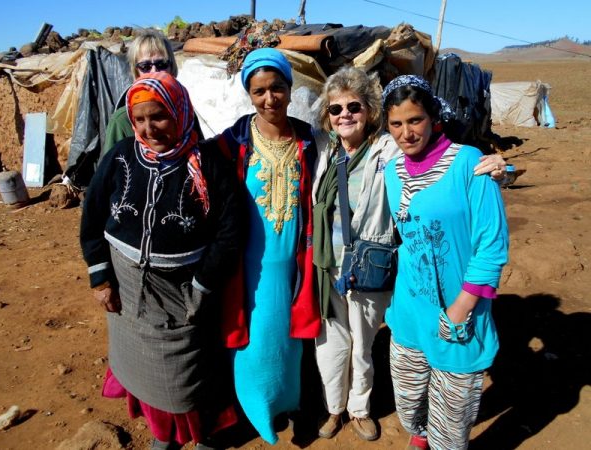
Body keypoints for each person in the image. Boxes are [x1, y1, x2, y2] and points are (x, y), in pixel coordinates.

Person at [80, 72, 241, 450]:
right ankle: (162, 435)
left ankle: (204, 434)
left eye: (159, 116)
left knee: (190, 371)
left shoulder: (209, 165)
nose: (149, 128)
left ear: (180, 112)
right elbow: (92, 216)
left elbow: (229, 232)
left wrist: (203, 283)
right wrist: (100, 277)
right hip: (127, 291)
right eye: (140, 119)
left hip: (183, 291)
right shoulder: (119, 157)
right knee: (142, 368)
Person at [381, 75, 509, 450]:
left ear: (433, 117)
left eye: (415, 120)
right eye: (396, 124)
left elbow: (491, 245)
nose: (407, 133)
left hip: (459, 313)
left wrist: (460, 309)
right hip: (408, 309)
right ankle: (420, 435)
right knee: (407, 406)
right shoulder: (392, 171)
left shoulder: (471, 164)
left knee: (451, 428)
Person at [204, 47, 321, 445]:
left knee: (290, 344)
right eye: (259, 91)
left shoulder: (309, 140)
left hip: (294, 265)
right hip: (247, 268)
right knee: (253, 342)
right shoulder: (230, 144)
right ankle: (255, 412)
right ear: (248, 94)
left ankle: (287, 404)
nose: (269, 99)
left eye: (277, 88)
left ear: (290, 89)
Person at [312, 66, 398, 441]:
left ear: (370, 111)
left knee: (363, 345)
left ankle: (359, 408)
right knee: (331, 343)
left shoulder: (388, 149)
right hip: (326, 265)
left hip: (367, 266)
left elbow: (433, 154)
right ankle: (334, 408)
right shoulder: (323, 150)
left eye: (353, 106)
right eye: (335, 108)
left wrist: (481, 161)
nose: (344, 114)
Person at [100, 28, 203, 163]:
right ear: (136, 73)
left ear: (172, 69)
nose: (154, 72)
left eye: (161, 64)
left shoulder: (184, 112)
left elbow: (200, 154)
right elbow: (110, 173)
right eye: (145, 66)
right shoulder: (122, 121)